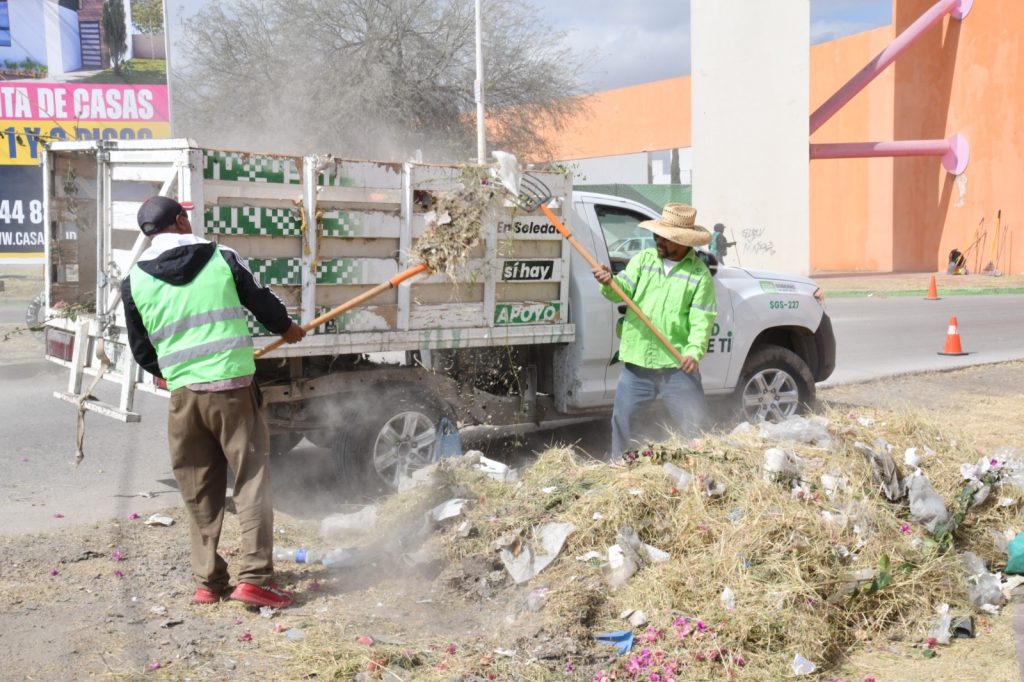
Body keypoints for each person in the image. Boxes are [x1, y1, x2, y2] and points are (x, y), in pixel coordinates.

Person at [121, 196, 306, 608]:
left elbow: (140, 349)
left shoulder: (133, 279)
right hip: (233, 390)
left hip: (184, 397)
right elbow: (264, 303)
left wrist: (170, 370)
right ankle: (255, 579)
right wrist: (288, 328)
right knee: (250, 479)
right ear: (181, 221)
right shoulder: (220, 256)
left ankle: (209, 582)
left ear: (148, 234)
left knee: (199, 488)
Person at [593, 203, 717, 456]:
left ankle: (701, 474)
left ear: (683, 241)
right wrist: (609, 282)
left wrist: (694, 352)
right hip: (638, 363)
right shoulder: (643, 260)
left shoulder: (699, 275)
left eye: (665, 238)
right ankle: (621, 470)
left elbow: (702, 319)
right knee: (623, 423)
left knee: (696, 429)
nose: (658, 240)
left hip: (676, 365)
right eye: (658, 234)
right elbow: (620, 292)